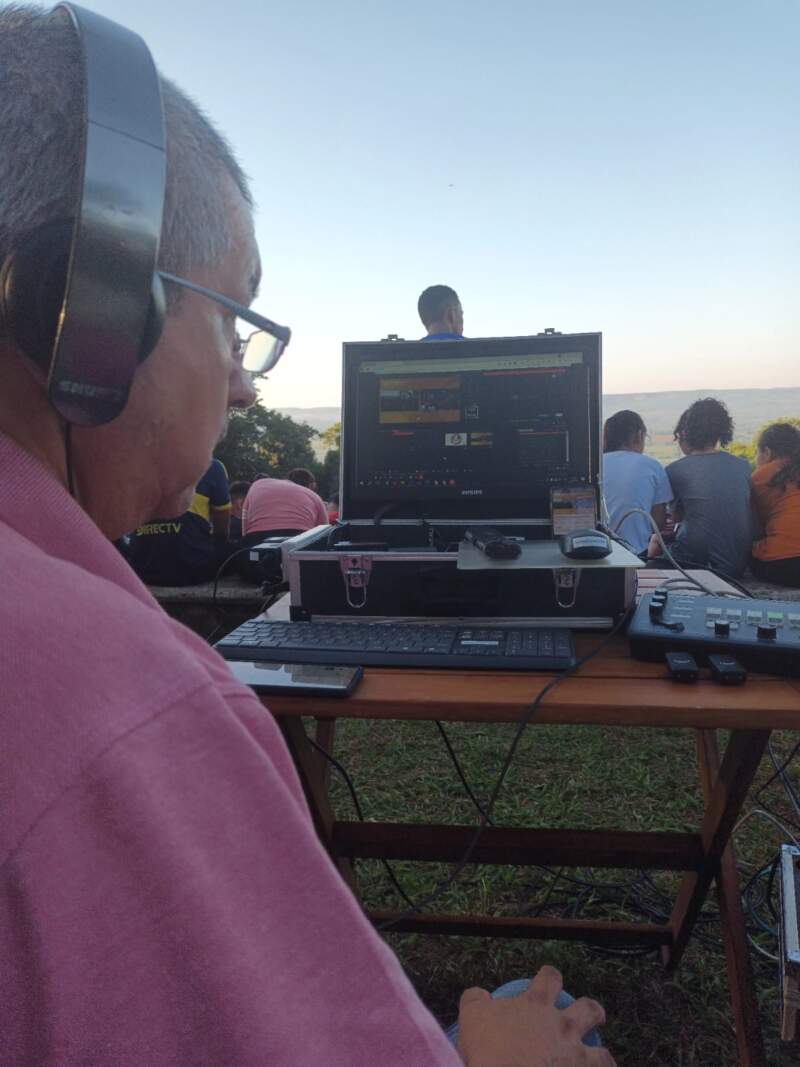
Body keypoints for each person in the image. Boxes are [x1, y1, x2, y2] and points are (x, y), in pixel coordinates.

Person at [0, 7, 612, 1066]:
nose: (240, 378)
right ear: (88, 310)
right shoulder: (119, 702)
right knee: (530, 1010)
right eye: (232, 316)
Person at [648, 397, 752, 577]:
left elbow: (677, 517)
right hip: (736, 565)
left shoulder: (675, 470)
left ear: (686, 433)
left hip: (694, 562)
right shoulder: (742, 466)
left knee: (655, 542)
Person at [126, 457, 233, 585]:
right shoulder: (211, 465)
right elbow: (222, 530)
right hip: (192, 569)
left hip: (141, 569)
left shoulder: (135, 464)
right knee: (235, 554)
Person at [602, 410, 672, 554]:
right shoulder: (652, 466)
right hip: (636, 553)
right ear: (639, 435)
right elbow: (658, 522)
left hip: (595, 551)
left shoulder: (594, 464)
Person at [750, 421, 800, 586]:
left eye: (757, 453)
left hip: (782, 562)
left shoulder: (761, 476)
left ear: (767, 452)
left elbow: (752, 527)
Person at [242, 472, 329, 537]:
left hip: (256, 537)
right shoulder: (314, 496)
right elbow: (324, 533)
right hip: (299, 538)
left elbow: (245, 523)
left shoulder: (257, 485)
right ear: (310, 486)